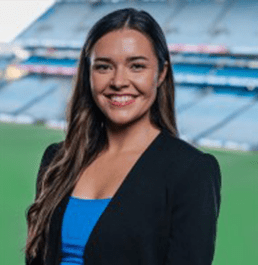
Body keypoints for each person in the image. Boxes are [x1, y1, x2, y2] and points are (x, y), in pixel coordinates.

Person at [25, 8, 221, 265]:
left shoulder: (191, 172)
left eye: (136, 66)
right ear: (88, 73)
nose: (119, 81)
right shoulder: (57, 159)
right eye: (104, 67)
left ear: (160, 73)